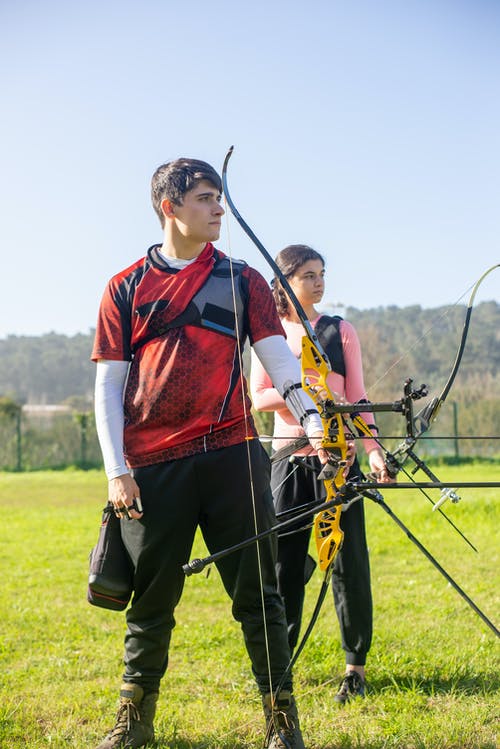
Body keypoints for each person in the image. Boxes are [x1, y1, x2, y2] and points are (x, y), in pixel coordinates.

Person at [91, 160, 335, 749]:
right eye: (205, 199)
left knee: (261, 597)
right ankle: (134, 721)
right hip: (152, 468)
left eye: (220, 199)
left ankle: (282, 721)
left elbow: (282, 365)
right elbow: (107, 386)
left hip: (233, 458)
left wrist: (313, 420)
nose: (219, 209)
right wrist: (117, 471)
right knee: (150, 602)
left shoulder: (244, 279)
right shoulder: (125, 286)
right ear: (169, 207)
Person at [250, 244, 395, 705]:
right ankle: (281, 660)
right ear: (285, 281)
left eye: (321, 274)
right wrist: (305, 393)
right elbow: (258, 398)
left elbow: (357, 396)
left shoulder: (339, 330)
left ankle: (355, 667)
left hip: (341, 459)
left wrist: (373, 451)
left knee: (348, 562)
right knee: (285, 561)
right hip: (289, 460)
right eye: (307, 275)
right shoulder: (269, 335)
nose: (318, 282)